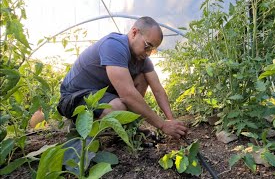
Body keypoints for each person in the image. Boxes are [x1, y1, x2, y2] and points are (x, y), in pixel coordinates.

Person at [57, 16, 187, 139]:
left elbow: (158, 89)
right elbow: (128, 95)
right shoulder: (114, 45)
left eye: (152, 50)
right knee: (118, 107)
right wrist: (162, 125)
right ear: (134, 32)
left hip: (100, 95)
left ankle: (129, 127)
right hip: (73, 97)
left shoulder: (143, 59)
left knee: (143, 77)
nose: (148, 53)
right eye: (147, 46)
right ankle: (79, 123)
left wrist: (171, 120)